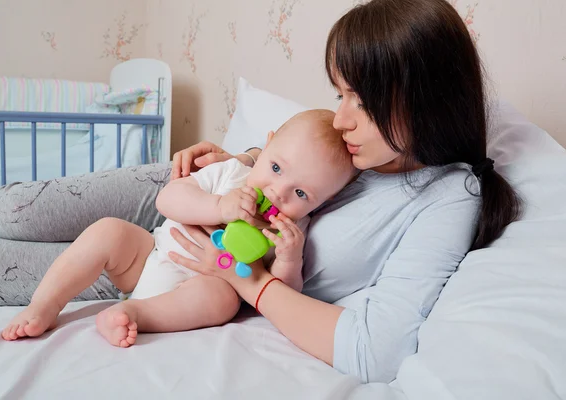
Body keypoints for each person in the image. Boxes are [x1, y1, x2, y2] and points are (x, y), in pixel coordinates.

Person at [161, 0, 520, 383]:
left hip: (197, 273)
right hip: (196, 200)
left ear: (426, 102)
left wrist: (240, 277)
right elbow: (305, 158)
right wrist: (244, 161)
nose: (340, 120)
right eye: (340, 96)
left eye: (362, 102)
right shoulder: (368, 152)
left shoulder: (449, 195)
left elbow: (374, 352)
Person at [1, 110, 355, 347]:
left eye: (300, 193)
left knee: (223, 300)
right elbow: (167, 199)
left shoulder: (293, 229)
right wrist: (219, 205)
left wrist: (289, 261)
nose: (277, 192)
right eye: (276, 168)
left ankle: (136, 315)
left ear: (319, 202)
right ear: (268, 144)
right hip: (151, 257)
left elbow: (283, 296)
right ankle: (44, 304)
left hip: (197, 289)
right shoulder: (231, 174)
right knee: (108, 231)